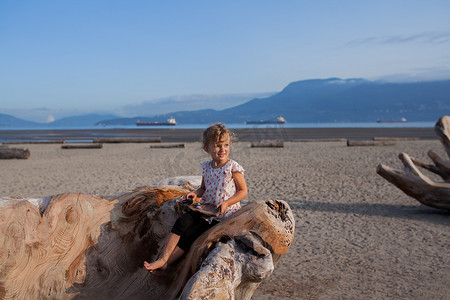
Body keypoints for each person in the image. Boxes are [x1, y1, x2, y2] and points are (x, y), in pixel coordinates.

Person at [144, 123, 248, 272]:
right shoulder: (207, 167)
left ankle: (168, 261)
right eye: (218, 145)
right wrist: (195, 194)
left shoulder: (233, 167)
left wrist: (227, 202)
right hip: (205, 209)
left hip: (223, 213)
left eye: (226, 145)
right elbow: (203, 188)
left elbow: (243, 191)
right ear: (207, 148)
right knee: (182, 222)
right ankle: (163, 258)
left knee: (193, 235)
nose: (222, 149)